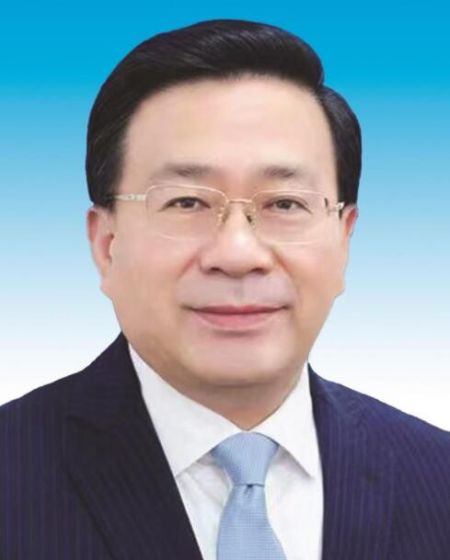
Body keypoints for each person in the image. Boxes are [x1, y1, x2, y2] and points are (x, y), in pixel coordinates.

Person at [1, 19, 449, 560]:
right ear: (107, 244)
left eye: (285, 204)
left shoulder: (437, 476)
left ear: (344, 238)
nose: (237, 255)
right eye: (187, 202)